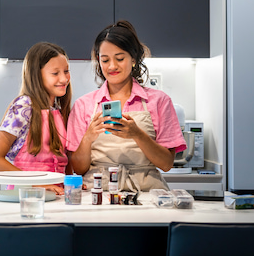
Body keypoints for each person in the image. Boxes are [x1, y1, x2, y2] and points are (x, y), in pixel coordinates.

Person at [67, 20, 186, 191]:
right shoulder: (84, 105)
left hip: (146, 193)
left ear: (134, 58)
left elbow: (166, 164)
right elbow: (77, 169)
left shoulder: (159, 101)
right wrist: (88, 138)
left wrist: (138, 134)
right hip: (99, 193)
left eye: (120, 58)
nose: (112, 66)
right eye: (105, 60)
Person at [0, 42, 72, 195]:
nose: (64, 79)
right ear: (37, 75)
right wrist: (34, 185)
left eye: (66, 71)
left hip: (54, 194)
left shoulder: (58, 111)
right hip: (24, 195)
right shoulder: (24, 106)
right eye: (55, 73)